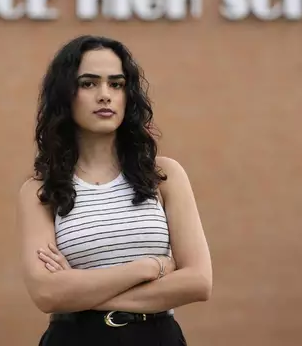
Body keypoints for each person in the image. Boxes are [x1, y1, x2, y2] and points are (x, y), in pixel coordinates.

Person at [16, 34, 213, 346]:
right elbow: (47, 293)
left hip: (156, 338)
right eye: (89, 83)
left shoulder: (164, 176)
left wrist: (80, 291)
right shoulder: (40, 190)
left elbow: (198, 282)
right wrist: (148, 267)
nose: (104, 95)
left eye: (116, 84)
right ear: (66, 95)